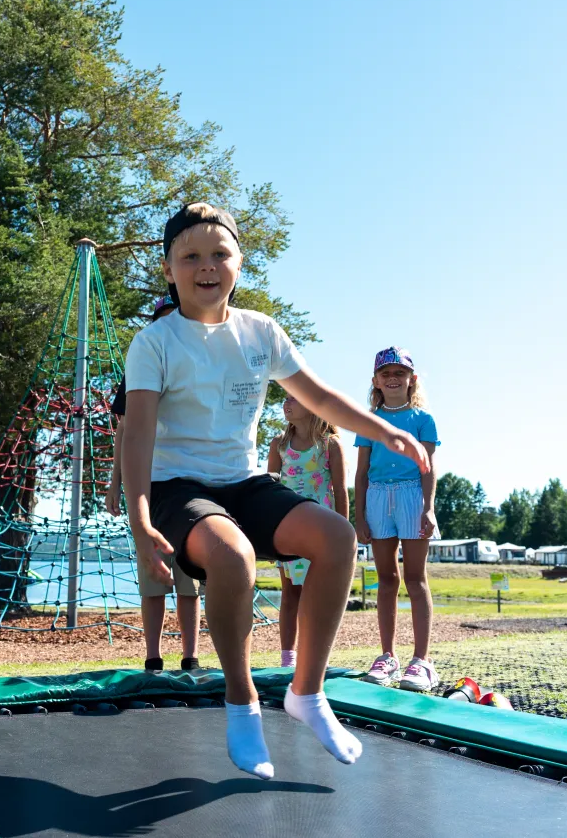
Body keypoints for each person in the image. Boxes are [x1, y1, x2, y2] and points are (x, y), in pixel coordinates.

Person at [121, 203, 429, 780]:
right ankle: (242, 702)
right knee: (232, 555)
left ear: (238, 263)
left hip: (243, 482)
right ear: (168, 269)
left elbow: (320, 397)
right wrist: (140, 520)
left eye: (219, 254)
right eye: (191, 256)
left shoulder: (261, 331)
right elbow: (135, 435)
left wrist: (384, 428)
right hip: (177, 488)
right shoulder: (154, 343)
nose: (206, 266)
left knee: (337, 537)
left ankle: (306, 694)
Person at [106, 295, 201, 673]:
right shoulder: (138, 370)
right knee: (152, 579)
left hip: (193, 485)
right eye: (160, 319)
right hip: (150, 489)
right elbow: (124, 432)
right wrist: (115, 483)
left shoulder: (196, 367)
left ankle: (191, 657)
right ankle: (152, 657)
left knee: (189, 580)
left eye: (173, 318)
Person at [354, 347, 440, 692]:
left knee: (415, 577)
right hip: (377, 496)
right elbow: (360, 473)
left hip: (411, 496)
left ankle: (422, 660)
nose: (393, 379)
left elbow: (428, 468)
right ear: (376, 381)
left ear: (411, 379)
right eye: (386, 374)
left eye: (399, 373)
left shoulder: (423, 419)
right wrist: (358, 515)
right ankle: (387, 656)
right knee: (386, 578)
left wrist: (428, 507)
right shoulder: (369, 420)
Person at [266, 392, 348, 668]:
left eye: (293, 399)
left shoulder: (329, 445)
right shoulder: (279, 444)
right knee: (291, 592)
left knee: (316, 595)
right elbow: (270, 490)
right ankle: (288, 659)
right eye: (285, 399)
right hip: (287, 528)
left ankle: (313, 657)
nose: (286, 404)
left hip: (320, 531)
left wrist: (343, 534)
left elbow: (340, 490)